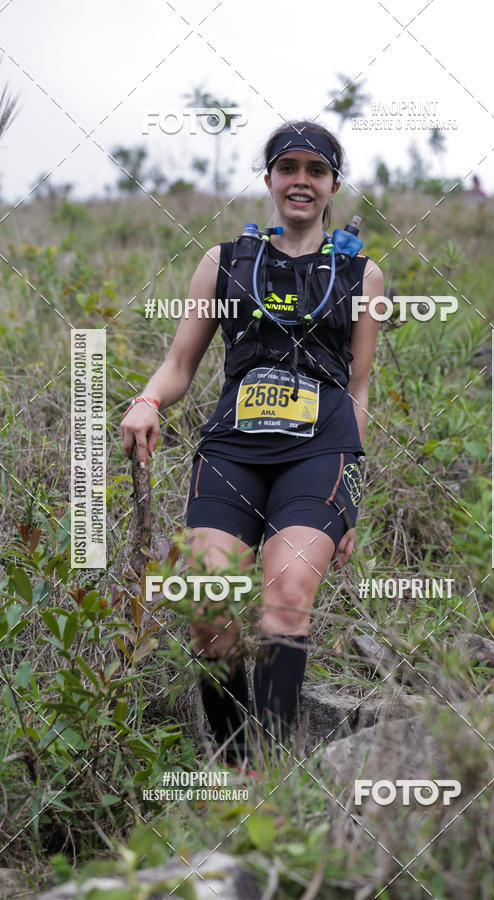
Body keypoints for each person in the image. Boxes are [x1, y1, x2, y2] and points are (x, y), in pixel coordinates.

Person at [121, 120, 384, 768]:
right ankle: (237, 762)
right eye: (287, 167)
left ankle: (268, 776)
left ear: (333, 185)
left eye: (315, 170)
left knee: (288, 594)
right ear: (269, 179)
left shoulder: (360, 274)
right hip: (234, 450)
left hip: (320, 453)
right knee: (209, 606)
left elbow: (357, 388)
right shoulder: (224, 262)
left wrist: (352, 490)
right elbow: (179, 365)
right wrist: (148, 400)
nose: (301, 180)